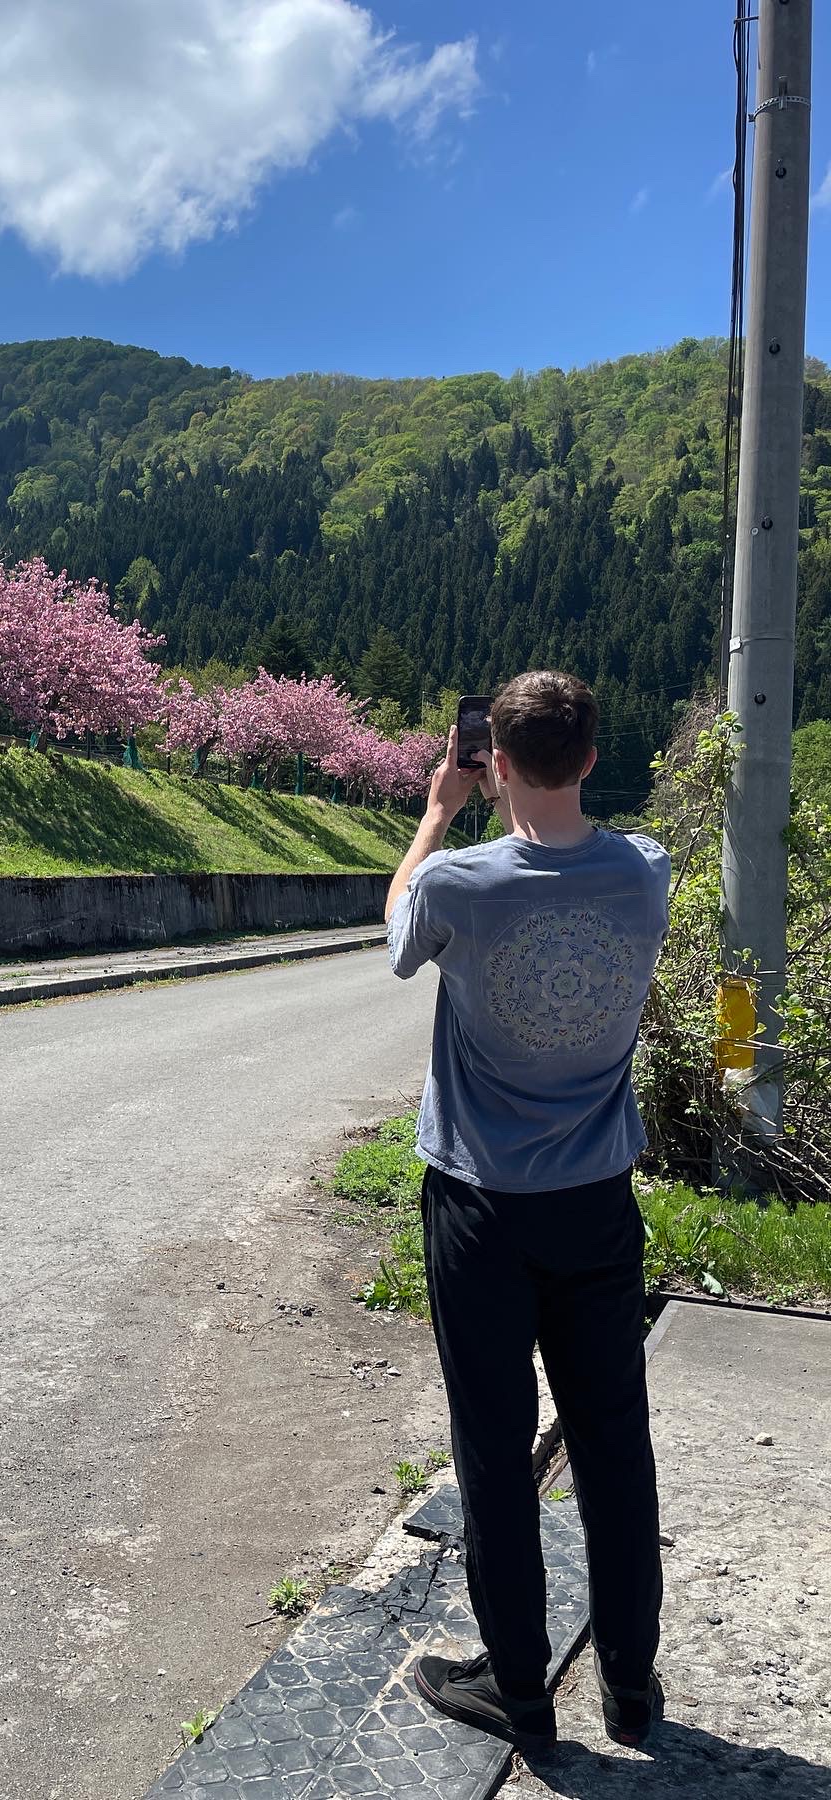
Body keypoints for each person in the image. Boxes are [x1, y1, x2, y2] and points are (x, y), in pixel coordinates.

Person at [384, 670, 671, 1753]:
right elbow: (606, 850)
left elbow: (397, 930)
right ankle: (633, 1688)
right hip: (597, 1204)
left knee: (497, 1450)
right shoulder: (646, 874)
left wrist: (433, 812)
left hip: (480, 1209)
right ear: (593, 758)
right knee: (614, 1443)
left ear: (492, 759)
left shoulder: (459, 883)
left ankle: (518, 1688)